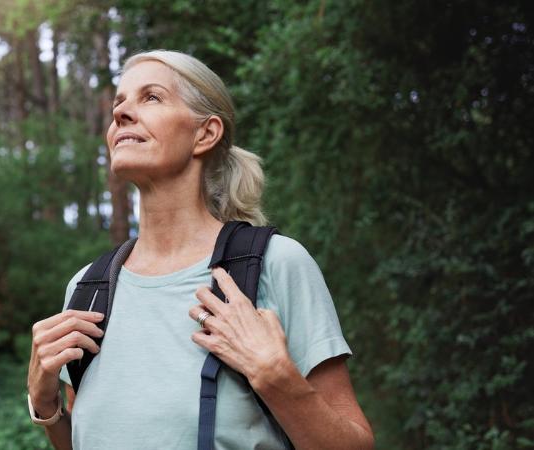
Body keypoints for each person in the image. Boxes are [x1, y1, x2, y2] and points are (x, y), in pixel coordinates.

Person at [27, 49, 374, 450]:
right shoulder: (89, 289)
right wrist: (45, 403)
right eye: (119, 103)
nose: (120, 113)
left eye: (151, 97)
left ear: (205, 134)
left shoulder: (275, 264)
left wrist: (277, 379)